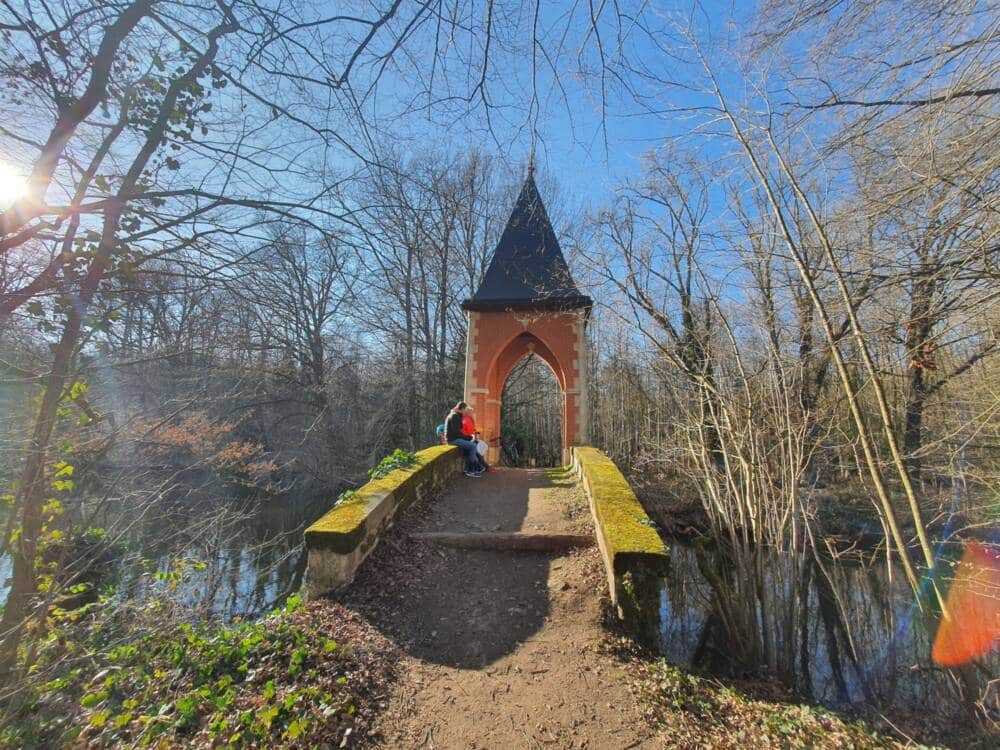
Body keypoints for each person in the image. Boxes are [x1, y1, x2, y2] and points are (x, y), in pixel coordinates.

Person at [445, 402, 482, 477]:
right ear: (462, 409)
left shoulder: (456, 415)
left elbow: (458, 431)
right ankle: (471, 470)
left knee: (471, 447)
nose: (466, 411)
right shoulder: (455, 416)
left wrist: (467, 438)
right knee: (473, 446)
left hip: (454, 438)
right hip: (453, 440)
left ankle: (473, 468)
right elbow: (457, 432)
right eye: (465, 409)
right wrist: (468, 438)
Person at [461, 407, 493, 472]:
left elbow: (472, 431)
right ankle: (483, 467)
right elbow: (470, 432)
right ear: (469, 413)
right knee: (477, 451)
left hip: (466, 440)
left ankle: (484, 466)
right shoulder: (467, 420)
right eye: (473, 412)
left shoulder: (465, 419)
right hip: (467, 440)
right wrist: (475, 436)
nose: (474, 414)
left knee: (478, 451)